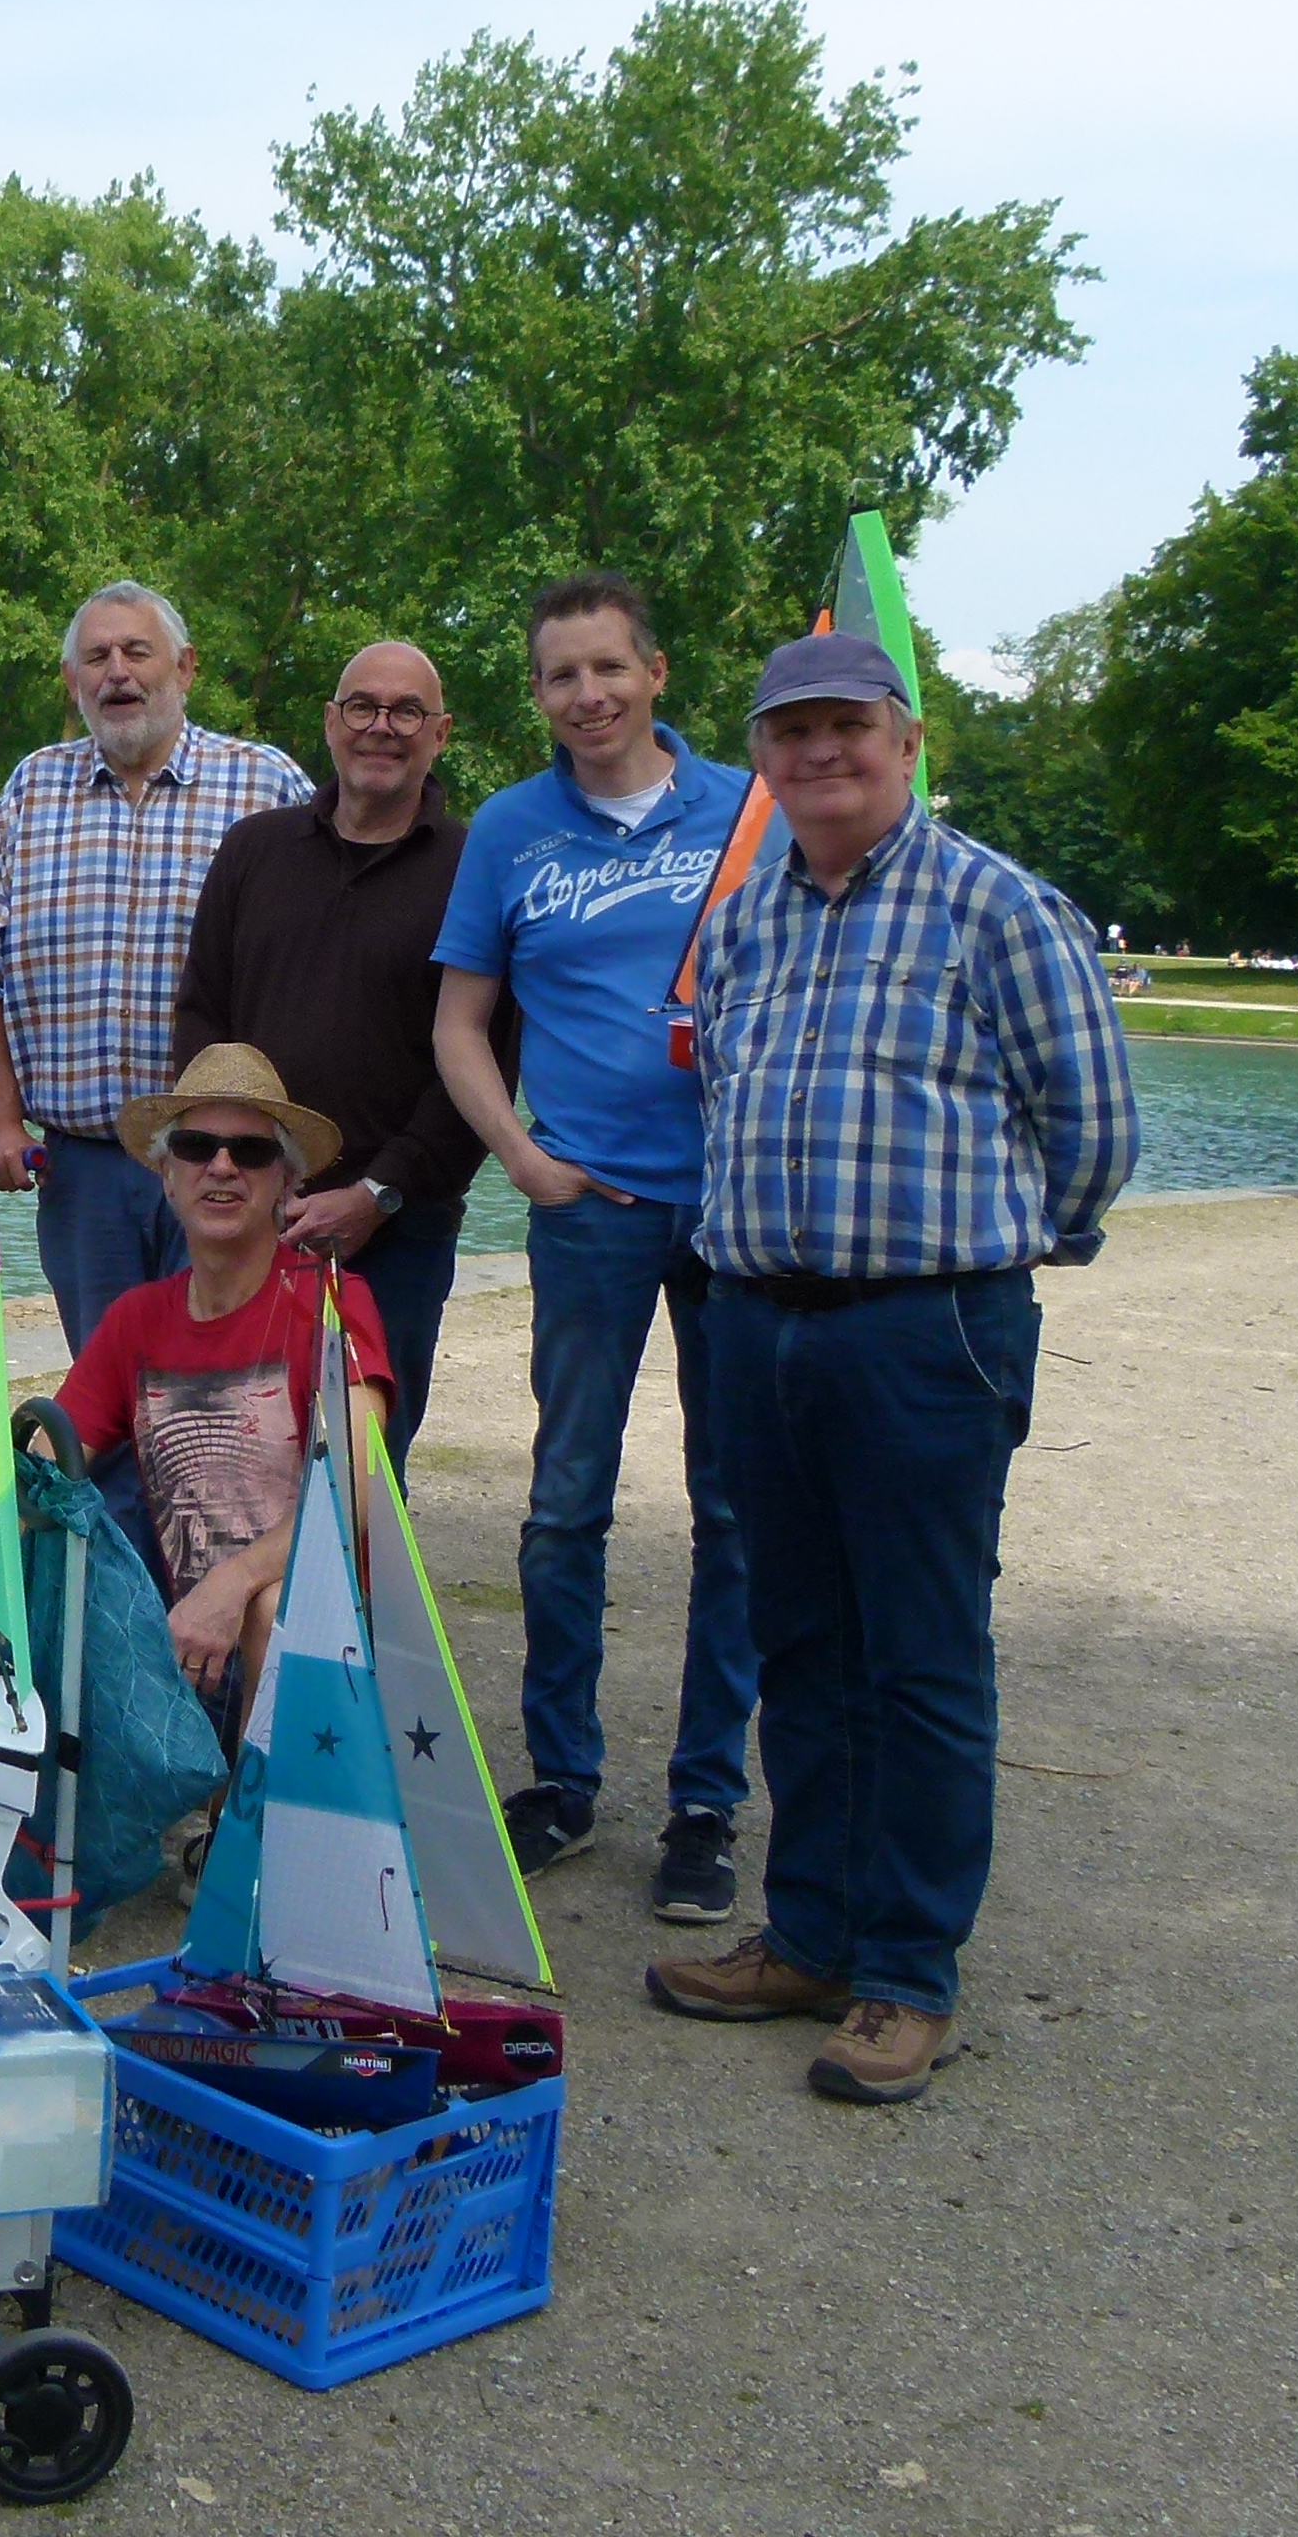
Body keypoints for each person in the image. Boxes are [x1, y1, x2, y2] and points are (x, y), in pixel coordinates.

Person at [643, 632, 1143, 2104]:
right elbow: (725, 1091)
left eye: (847, 728)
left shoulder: (997, 906)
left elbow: (1094, 1124)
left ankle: (908, 1970)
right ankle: (810, 1928)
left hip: (929, 1330)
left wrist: (997, 1253)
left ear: (906, 739)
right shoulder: (744, 924)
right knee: (795, 1638)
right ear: (765, 760)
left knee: (921, 1654)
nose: (819, 756)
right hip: (758, 1321)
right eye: (789, 736)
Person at [429, 572, 760, 1920]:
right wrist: (523, 1159)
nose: (587, 696)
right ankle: (563, 1777)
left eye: (608, 668)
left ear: (657, 672)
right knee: (567, 1503)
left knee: (734, 1507)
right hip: (592, 1216)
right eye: (561, 676)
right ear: (540, 693)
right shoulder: (511, 830)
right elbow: (460, 1023)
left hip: (742, 1213)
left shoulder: (749, 808)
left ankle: (704, 1802)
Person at [0, 1046, 392, 1717]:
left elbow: (356, 1491)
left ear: (283, 1183)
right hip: (188, 1630)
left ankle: (245, 1819)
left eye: (250, 1152)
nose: (221, 1167)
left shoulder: (335, 1303)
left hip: (313, 1640)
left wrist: (235, 1582)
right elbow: (37, 1483)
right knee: (54, 1560)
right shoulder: (138, 1320)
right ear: (165, 1175)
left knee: (268, 1605)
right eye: (195, 1146)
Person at [169, 642, 495, 1466]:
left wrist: (378, 1193)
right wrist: (235, 1168)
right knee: (228, 1452)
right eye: (362, 707)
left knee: (364, 1468)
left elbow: (485, 1058)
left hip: (400, 1232)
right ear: (330, 722)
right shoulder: (253, 852)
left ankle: (364, 1601)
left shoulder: (476, 871)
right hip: (248, 1215)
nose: (381, 728)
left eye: (406, 712)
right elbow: (204, 1013)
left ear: (441, 733)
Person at [0, 582, 311, 1344]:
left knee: (229, 1387)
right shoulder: (31, 789)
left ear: (184, 668)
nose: (116, 671)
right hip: (83, 1173)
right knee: (107, 1398)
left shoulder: (267, 784)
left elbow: (317, 970)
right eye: (96, 656)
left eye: (136, 652)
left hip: (230, 1159)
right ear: (73, 682)